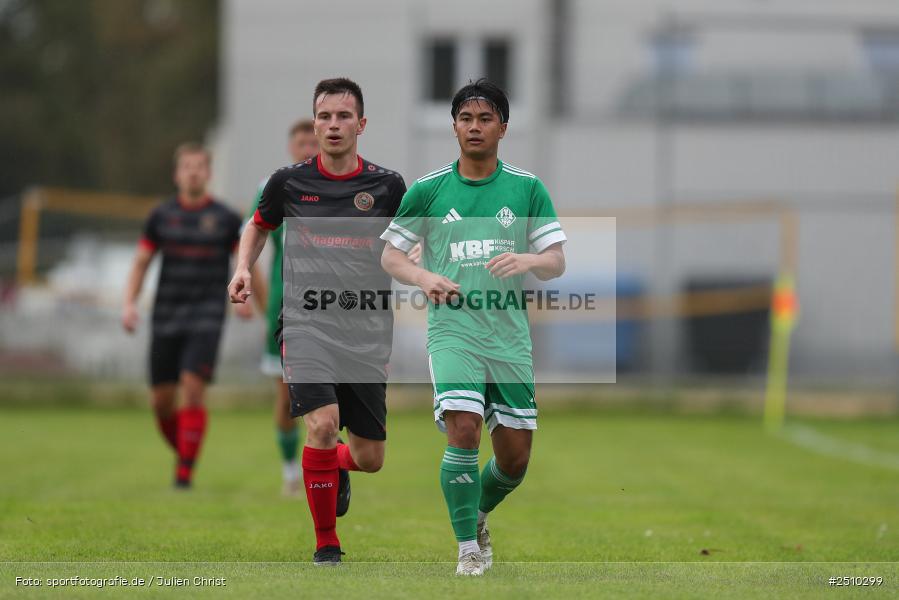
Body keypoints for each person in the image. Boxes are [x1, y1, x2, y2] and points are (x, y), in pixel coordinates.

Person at [380, 79, 566, 576]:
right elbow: (391, 254)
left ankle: (478, 515)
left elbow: (555, 262)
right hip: (453, 332)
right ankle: (467, 550)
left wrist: (527, 257)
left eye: (485, 119)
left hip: (508, 339)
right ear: (454, 127)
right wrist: (423, 276)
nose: (475, 127)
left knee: (515, 460)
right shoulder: (429, 189)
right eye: (466, 119)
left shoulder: (526, 188)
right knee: (463, 428)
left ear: (503, 127)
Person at [228, 78, 407, 566]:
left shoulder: (388, 187)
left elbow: (410, 246)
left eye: (343, 116)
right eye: (324, 116)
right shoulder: (288, 182)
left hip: (367, 332)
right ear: (316, 122)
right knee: (322, 425)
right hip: (305, 326)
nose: (332, 125)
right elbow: (257, 226)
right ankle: (326, 542)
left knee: (370, 458)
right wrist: (244, 268)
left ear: (361, 124)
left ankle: (335, 465)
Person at [122, 142, 246, 489]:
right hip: (165, 315)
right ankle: (186, 450)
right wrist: (129, 304)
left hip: (207, 315)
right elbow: (141, 263)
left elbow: (244, 261)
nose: (193, 171)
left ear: (208, 173)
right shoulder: (160, 216)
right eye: (186, 166)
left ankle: (184, 474)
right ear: (177, 175)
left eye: (199, 166)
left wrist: (249, 297)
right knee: (161, 403)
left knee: (192, 390)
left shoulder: (225, 217)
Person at [245, 119, 319, 496]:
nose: (307, 148)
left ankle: (325, 463)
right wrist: (254, 294)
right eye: (301, 142)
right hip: (285, 306)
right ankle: (291, 470)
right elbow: (251, 239)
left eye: (313, 142)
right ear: (292, 147)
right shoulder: (273, 186)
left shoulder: (336, 186)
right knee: (287, 393)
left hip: (331, 308)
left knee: (333, 393)